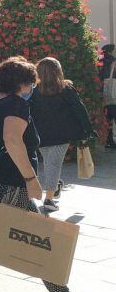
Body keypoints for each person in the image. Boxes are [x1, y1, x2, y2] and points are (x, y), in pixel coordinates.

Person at [0, 56, 96, 292]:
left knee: (39, 235)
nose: (32, 88)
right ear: (20, 83)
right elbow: (13, 141)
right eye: (30, 83)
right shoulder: (16, 104)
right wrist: (31, 179)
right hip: (11, 182)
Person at [30, 57, 93, 212]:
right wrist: (87, 130)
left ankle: (54, 186)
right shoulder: (66, 89)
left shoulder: (33, 91)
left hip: (41, 135)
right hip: (62, 135)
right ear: (58, 71)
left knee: (50, 163)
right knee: (53, 164)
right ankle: (49, 199)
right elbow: (80, 110)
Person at [99, 44, 116, 149]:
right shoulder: (113, 60)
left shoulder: (100, 60)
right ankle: (111, 140)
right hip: (113, 95)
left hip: (104, 93)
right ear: (112, 51)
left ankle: (108, 140)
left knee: (107, 117)